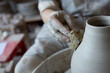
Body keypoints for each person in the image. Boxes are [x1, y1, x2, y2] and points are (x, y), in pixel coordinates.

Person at [15, 0, 110, 73]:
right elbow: (46, 5)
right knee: (24, 68)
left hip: (105, 28)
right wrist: (50, 16)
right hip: (65, 23)